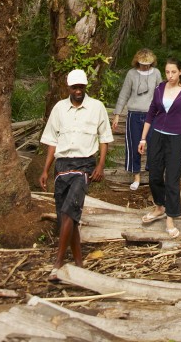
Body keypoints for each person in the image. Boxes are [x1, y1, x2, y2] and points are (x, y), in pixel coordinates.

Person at [39, 68, 113, 279]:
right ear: (68, 87)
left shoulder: (96, 107)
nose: (78, 91)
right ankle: (79, 262)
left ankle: (59, 262)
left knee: (71, 210)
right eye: (75, 87)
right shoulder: (59, 109)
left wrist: (100, 166)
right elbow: (52, 141)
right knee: (65, 215)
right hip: (62, 166)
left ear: (85, 87)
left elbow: (104, 138)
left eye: (81, 87)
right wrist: (45, 170)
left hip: (84, 166)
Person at [139, 57, 181, 238]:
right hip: (157, 136)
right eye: (167, 72)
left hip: (176, 139)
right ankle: (159, 207)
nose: (170, 75)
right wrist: (143, 138)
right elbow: (151, 113)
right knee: (155, 175)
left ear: (180, 72)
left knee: (172, 179)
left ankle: (171, 219)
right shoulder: (159, 88)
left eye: (174, 72)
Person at [111, 48, 162, 190]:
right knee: (134, 146)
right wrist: (117, 114)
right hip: (134, 114)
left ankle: (153, 175)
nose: (145, 66)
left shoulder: (156, 73)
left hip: (152, 114)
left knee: (154, 144)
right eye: (142, 63)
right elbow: (124, 94)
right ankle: (136, 177)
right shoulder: (131, 74)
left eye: (148, 64)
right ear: (137, 62)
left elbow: (161, 92)